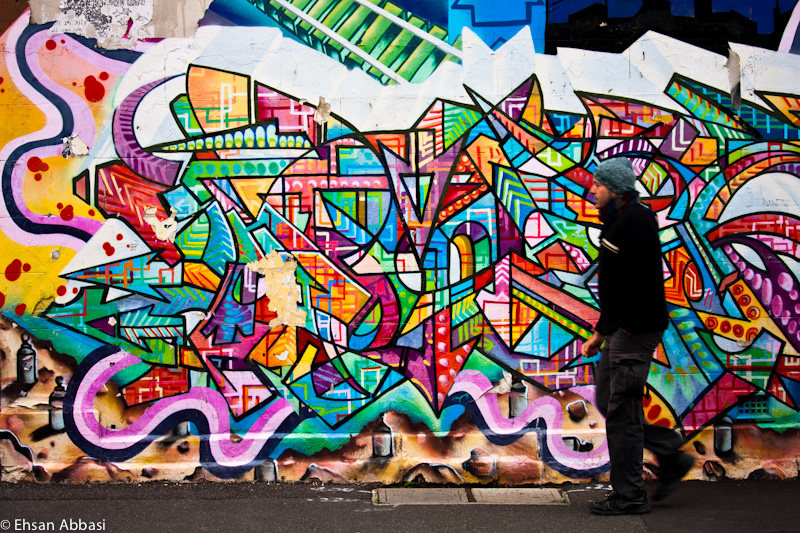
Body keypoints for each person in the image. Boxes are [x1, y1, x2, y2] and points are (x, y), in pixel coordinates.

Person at [581, 157, 695, 516]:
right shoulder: (621, 219)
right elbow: (619, 283)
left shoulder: (634, 220)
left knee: (622, 413)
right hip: (619, 329)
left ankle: (630, 494)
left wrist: (622, 325)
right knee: (609, 400)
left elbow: (642, 281)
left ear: (613, 189)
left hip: (633, 330)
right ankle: (669, 454)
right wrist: (602, 331)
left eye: (598, 185)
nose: (592, 190)